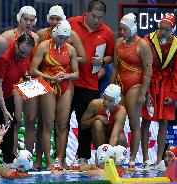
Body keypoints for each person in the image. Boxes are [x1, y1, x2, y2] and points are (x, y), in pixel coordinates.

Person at [34, 5, 86, 169]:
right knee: (47, 124)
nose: (63, 41)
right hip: (48, 84)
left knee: (63, 124)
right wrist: (50, 77)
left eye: (65, 38)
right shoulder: (43, 43)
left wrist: (67, 76)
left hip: (65, 86)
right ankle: (47, 161)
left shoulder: (70, 48)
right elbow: (32, 69)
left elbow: (77, 72)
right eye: (60, 38)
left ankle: (60, 160)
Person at [68, 0, 115, 165]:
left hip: (89, 84)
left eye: (100, 18)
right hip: (68, 83)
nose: (96, 20)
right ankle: (59, 158)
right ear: (86, 12)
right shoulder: (71, 23)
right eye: (94, 16)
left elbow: (110, 57)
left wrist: (102, 61)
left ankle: (83, 157)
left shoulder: (107, 32)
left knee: (85, 124)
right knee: (62, 121)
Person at [0, 34, 36, 165]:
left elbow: (21, 69)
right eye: (20, 52)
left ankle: (8, 160)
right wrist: (4, 110)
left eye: (26, 54)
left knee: (9, 126)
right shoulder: (3, 57)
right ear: (15, 44)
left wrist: (25, 76)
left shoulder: (25, 55)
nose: (22, 56)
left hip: (8, 93)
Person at [141, 13, 177, 168]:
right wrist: (145, 92)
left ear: (172, 30)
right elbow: (143, 67)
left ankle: (159, 159)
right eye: (160, 28)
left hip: (166, 84)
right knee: (146, 120)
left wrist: (174, 94)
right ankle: (146, 158)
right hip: (150, 82)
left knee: (163, 121)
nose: (162, 32)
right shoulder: (148, 40)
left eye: (166, 30)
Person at [110, 13, 153, 170]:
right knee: (117, 122)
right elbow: (115, 65)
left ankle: (133, 159)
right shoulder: (118, 42)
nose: (122, 32)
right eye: (121, 28)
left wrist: (143, 93)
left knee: (134, 124)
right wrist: (111, 86)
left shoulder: (142, 45)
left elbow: (148, 70)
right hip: (120, 84)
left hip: (135, 86)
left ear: (133, 28)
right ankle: (117, 156)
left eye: (125, 29)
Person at [80, 84, 127, 148]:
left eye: (110, 101)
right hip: (99, 138)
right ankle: (101, 152)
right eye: (105, 98)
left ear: (117, 101)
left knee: (121, 138)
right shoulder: (95, 104)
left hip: (115, 139)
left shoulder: (121, 111)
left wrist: (109, 153)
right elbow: (82, 125)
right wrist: (96, 117)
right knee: (97, 123)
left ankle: (114, 156)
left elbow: (114, 135)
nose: (106, 102)